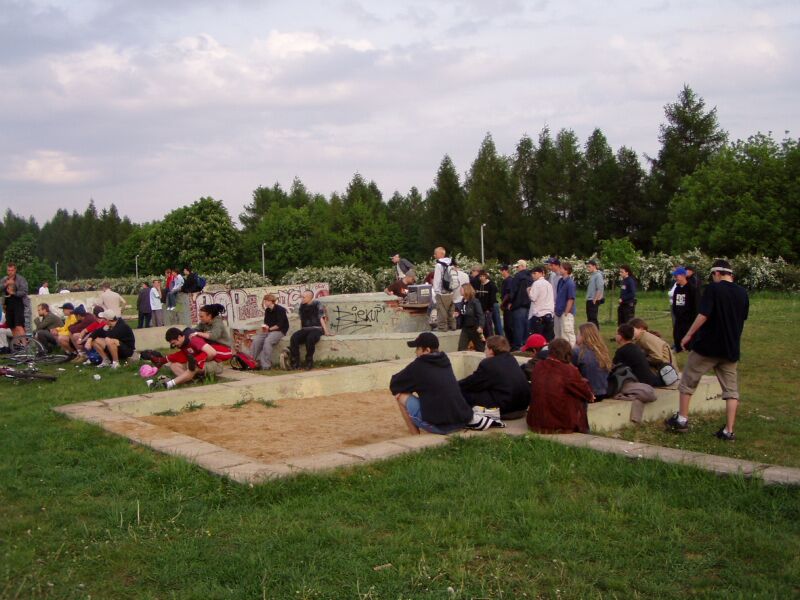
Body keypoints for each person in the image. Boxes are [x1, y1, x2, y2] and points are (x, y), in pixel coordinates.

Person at [666, 259, 749, 441]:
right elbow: (741, 318)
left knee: (688, 380)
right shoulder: (743, 293)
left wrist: (688, 335)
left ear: (717, 273)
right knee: (731, 390)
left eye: (713, 275)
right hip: (731, 348)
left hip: (708, 346)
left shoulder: (713, 289)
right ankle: (728, 431)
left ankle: (682, 419)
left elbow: (703, 315)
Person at [389, 332, 501, 434]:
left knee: (400, 395)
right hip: (461, 420)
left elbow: (394, 384)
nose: (416, 352)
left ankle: (415, 436)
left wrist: (409, 387)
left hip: (442, 427)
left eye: (418, 348)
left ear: (427, 350)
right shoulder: (444, 360)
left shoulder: (419, 365)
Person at [527, 338, 594, 434]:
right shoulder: (568, 370)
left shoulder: (539, 365)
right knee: (580, 398)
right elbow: (586, 392)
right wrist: (590, 394)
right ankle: (584, 431)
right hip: (559, 425)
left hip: (535, 422)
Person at [459, 335, 529, 418]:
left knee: (465, 393)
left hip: (506, 409)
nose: (484, 351)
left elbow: (471, 383)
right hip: (522, 406)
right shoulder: (511, 359)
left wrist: (454, 385)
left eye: (485, 349)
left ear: (491, 351)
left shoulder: (488, 364)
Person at [159, 325, 234, 389]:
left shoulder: (193, 339)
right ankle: (191, 382)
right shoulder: (183, 344)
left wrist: (198, 361)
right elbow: (180, 356)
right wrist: (163, 360)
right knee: (174, 365)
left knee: (193, 367)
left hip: (215, 363)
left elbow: (212, 352)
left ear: (179, 337)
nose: (174, 346)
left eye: (174, 343)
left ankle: (169, 384)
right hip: (200, 361)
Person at [285, 290, 333, 370]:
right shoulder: (302, 305)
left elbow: (321, 318)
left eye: (303, 297)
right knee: (294, 337)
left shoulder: (317, 304)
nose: (302, 299)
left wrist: (326, 331)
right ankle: (296, 362)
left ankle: (309, 361)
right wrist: (300, 331)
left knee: (310, 338)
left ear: (309, 297)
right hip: (305, 329)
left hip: (317, 329)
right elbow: (301, 319)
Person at [572, 322, 611, 401]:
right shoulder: (602, 351)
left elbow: (570, 373)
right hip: (602, 392)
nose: (576, 337)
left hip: (587, 393)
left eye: (578, 334)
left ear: (583, 336)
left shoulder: (577, 352)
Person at [249, 293, 289, 370]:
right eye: (264, 301)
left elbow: (279, 325)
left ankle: (266, 365)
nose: (264, 303)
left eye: (266, 301)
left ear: (271, 301)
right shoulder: (267, 310)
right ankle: (250, 362)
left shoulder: (280, 310)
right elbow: (266, 323)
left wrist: (269, 329)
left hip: (280, 331)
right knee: (257, 340)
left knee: (268, 341)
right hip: (269, 331)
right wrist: (265, 328)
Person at [671, 266, 699, 353]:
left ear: (683, 275)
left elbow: (695, 305)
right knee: (677, 333)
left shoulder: (692, 289)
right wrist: (676, 313)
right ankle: (678, 347)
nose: (676, 278)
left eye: (677, 276)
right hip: (679, 318)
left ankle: (690, 348)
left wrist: (692, 316)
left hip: (689, 318)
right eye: (675, 276)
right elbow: (675, 303)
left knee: (688, 333)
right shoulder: (677, 289)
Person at [508, 260, 533, 350]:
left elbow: (513, 290)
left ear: (522, 266)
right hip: (529, 305)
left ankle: (518, 346)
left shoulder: (518, 276)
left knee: (518, 327)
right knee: (527, 326)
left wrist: (510, 302)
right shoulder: (531, 276)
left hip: (518, 304)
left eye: (517, 267)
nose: (516, 268)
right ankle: (526, 345)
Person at [1, 263, 30, 336]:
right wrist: (6, 284)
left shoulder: (21, 279)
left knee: (19, 325)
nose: (10, 272)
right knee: (11, 326)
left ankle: (24, 343)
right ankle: (16, 342)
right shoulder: (4, 279)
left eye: (12, 270)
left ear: (15, 270)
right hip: (8, 304)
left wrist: (13, 292)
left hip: (19, 304)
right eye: (8, 270)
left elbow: (24, 291)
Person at [432, 247, 456, 332]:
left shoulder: (439, 265)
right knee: (451, 310)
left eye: (435, 253)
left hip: (442, 292)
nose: (434, 255)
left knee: (441, 310)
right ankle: (453, 326)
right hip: (451, 291)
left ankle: (442, 327)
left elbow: (437, 279)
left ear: (441, 254)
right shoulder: (451, 263)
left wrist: (436, 291)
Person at [527, 266, 555, 341]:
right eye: (532, 273)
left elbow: (533, 298)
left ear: (541, 273)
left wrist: (528, 291)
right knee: (547, 339)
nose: (533, 275)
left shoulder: (536, 283)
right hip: (549, 314)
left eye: (535, 273)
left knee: (537, 340)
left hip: (538, 315)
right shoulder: (548, 284)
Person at [554, 261, 577, 346]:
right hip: (558, 311)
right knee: (558, 334)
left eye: (561, 268)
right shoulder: (560, 281)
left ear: (566, 270)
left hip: (566, 312)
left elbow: (571, 299)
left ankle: (571, 350)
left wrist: (566, 313)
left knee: (567, 334)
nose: (559, 269)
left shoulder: (570, 283)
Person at [457, 283, 485, 352]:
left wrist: (481, 326)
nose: (460, 290)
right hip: (465, 328)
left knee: (480, 348)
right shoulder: (463, 301)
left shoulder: (475, 301)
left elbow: (480, 315)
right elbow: (463, 313)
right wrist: (458, 314)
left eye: (461, 289)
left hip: (474, 328)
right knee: (461, 347)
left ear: (466, 290)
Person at [475, 270, 500, 337]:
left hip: (488, 309)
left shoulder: (491, 285)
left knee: (489, 325)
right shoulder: (478, 285)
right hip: (481, 309)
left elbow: (492, 298)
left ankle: (492, 338)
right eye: (480, 276)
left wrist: (488, 309)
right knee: (483, 325)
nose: (482, 278)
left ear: (486, 276)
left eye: (483, 276)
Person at [585, 259, 604, 329]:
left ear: (594, 266)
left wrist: (595, 299)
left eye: (589, 267)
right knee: (590, 318)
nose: (588, 268)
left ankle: (596, 333)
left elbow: (600, 288)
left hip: (593, 300)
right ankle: (591, 333)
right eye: (587, 267)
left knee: (593, 318)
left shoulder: (598, 275)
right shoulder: (592, 275)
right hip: (589, 299)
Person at [499, 264, 513, 342]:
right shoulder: (505, 280)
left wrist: (502, 303)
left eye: (502, 270)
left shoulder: (509, 280)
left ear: (506, 271)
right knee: (506, 326)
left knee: (509, 325)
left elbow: (508, 293)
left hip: (508, 306)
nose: (501, 272)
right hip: (505, 306)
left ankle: (511, 342)